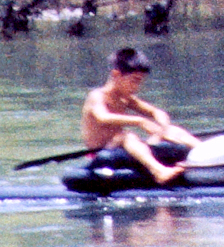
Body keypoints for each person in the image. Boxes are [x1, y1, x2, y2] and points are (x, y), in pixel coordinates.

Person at [81, 47, 196, 183]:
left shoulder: (126, 98)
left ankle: (209, 156)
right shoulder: (97, 96)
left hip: (119, 148)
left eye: (140, 82)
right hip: (101, 152)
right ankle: (159, 171)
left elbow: (156, 112)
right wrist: (140, 121)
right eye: (134, 80)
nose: (137, 87)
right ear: (116, 75)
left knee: (173, 130)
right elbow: (103, 117)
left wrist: (162, 129)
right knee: (127, 135)